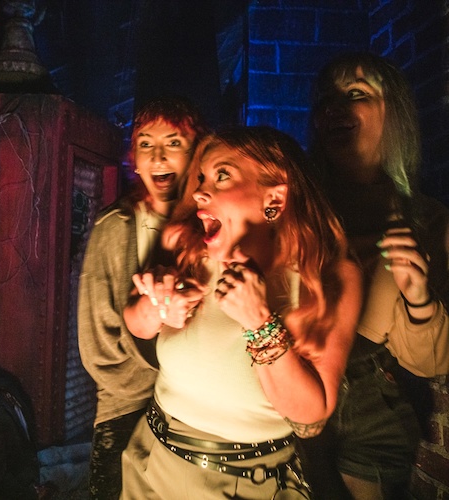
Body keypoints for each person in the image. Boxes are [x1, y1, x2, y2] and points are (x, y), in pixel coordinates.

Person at [120, 126, 362, 499]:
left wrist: (259, 322)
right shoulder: (189, 246)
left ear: (274, 198)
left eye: (222, 175)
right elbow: (136, 324)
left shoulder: (327, 274)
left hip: (243, 482)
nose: (200, 191)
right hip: (149, 459)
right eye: (202, 177)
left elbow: (311, 417)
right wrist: (157, 305)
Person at [298, 51, 449, 500]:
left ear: (393, 111)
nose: (334, 109)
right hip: (291, 382)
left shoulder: (428, 220)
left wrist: (418, 298)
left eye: (355, 94)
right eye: (326, 100)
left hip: (373, 404)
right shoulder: (295, 203)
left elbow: (430, 363)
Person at [77, 95, 208, 499]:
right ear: (133, 157)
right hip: (126, 411)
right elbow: (98, 349)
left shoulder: (210, 227)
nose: (158, 156)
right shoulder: (115, 227)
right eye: (146, 143)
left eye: (173, 143)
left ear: (197, 153)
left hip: (194, 415)